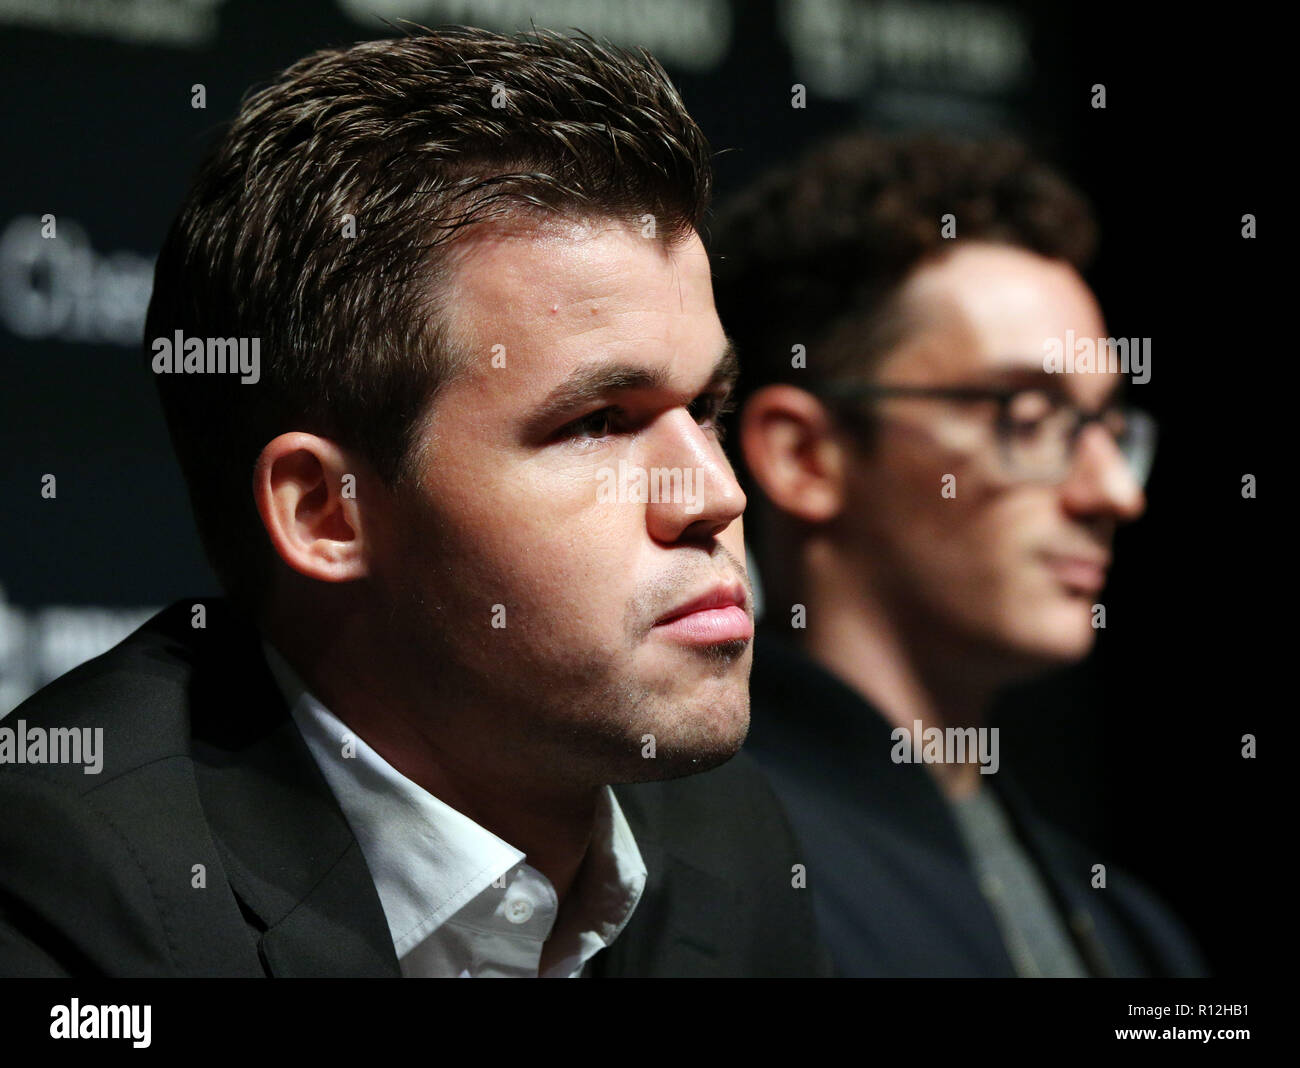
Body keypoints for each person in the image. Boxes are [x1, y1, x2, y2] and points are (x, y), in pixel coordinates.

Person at [0, 28, 828, 978]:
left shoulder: (724, 831)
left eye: (708, 409)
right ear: (327, 513)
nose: (717, 495)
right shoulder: (67, 893)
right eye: (600, 422)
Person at [711, 132, 1204, 977]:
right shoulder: (692, 885)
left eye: (1107, 428)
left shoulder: (1133, 930)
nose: (1114, 494)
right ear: (803, 456)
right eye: (1028, 415)